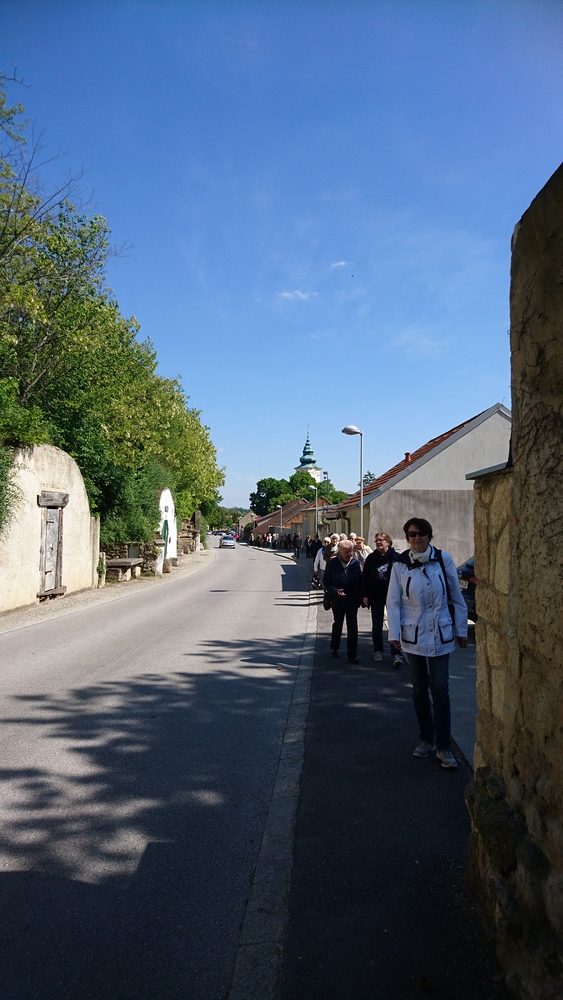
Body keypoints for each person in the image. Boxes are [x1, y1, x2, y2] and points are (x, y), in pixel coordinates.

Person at [386, 517, 468, 769]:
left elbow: (457, 597)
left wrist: (461, 630)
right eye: (412, 534)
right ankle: (426, 739)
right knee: (420, 689)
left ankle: (444, 746)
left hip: (441, 632)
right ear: (407, 537)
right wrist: (393, 633)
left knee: (440, 688)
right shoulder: (400, 564)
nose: (417, 538)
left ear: (429, 536)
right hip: (414, 634)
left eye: (421, 533)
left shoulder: (443, 560)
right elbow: (394, 601)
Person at [361, 532, 402, 666]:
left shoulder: (396, 557)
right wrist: (365, 595)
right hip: (376, 595)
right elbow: (365, 578)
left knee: (394, 624)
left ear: (388, 542)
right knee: (377, 624)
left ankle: (396, 654)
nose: (378, 542)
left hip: (393, 595)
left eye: (381, 540)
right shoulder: (371, 558)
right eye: (376, 540)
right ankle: (378, 650)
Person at [323, 539, 362, 663]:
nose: (350, 554)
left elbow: (360, 581)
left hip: (352, 600)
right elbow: (326, 581)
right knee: (338, 625)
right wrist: (335, 591)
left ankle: (352, 655)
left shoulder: (355, 564)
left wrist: (362, 597)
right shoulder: (332, 564)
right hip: (338, 600)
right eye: (346, 552)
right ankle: (334, 648)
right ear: (340, 552)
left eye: (351, 551)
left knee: (353, 628)